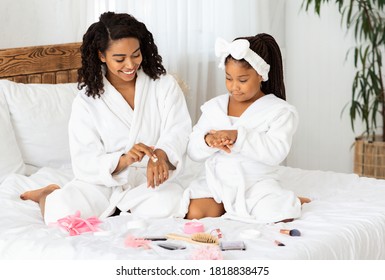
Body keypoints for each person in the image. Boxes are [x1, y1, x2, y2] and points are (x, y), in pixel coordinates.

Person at [20, 12, 192, 224]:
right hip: (105, 183)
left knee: (172, 203)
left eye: (136, 55)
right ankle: (47, 194)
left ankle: (123, 210)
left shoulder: (163, 85)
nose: (130, 65)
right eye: (120, 59)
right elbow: (84, 159)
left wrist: (161, 155)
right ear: (102, 56)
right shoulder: (87, 101)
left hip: (150, 180)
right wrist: (124, 159)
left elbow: (179, 129)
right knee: (63, 212)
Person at [182, 34, 310, 223]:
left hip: (256, 183)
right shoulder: (214, 107)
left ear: (261, 75)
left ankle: (290, 200)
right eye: (228, 78)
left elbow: (276, 151)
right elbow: (193, 150)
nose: (234, 87)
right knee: (193, 213)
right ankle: (230, 206)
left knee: (276, 213)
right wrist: (207, 140)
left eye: (242, 80)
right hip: (217, 182)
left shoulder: (279, 111)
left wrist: (238, 137)